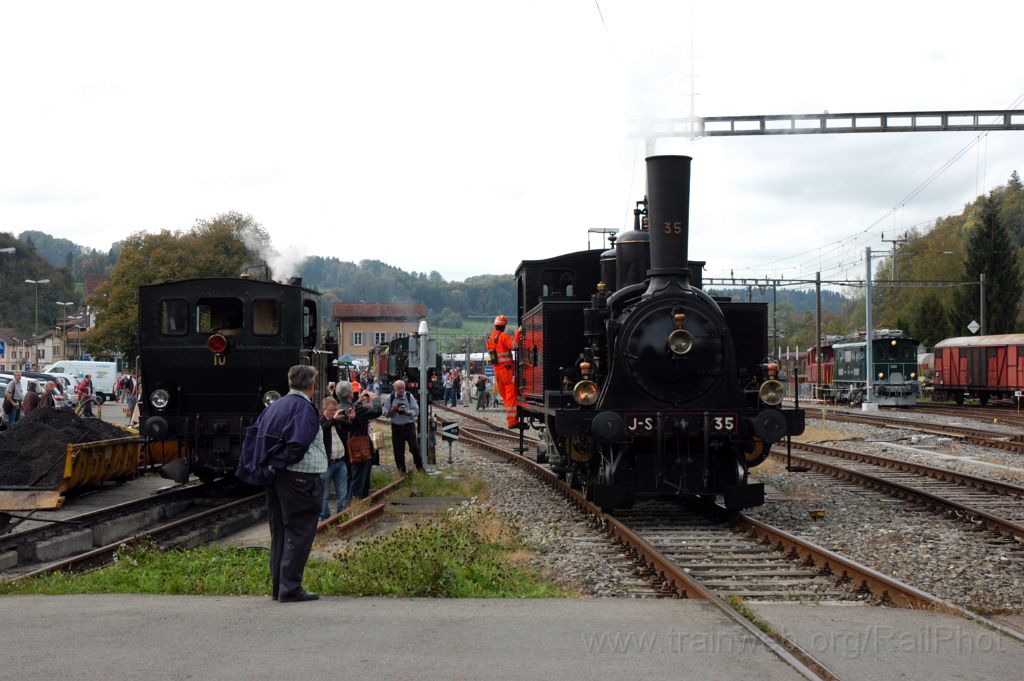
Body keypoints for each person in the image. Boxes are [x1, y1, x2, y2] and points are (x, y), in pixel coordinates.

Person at [254, 365, 326, 603]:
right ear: (311, 385)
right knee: (299, 532)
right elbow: (298, 444)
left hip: (278, 479)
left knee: (280, 533)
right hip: (301, 479)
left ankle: (279, 586)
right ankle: (291, 588)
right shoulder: (304, 408)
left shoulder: (276, 406)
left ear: (289, 382)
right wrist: (280, 461)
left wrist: (273, 465)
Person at [334, 381, 381, 499]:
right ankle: (355, 505)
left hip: (343, 449)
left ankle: (348, 503)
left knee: (349, 478)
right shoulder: (356, 408)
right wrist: (375, 398)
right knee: (359, 480)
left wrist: (359, 401)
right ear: (350, 394)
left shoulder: (337, 408)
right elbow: (377, 411)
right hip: (359, 449)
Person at [382, 379, 424, 473]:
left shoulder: (409, 396)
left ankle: (420, 469)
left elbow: (416, 411)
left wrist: (407, 412)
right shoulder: (390, 397)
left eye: (403, 388)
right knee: (398, 452)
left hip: (409, 426)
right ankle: (402, 473)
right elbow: (385, 413)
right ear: (395, 389)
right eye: (399, 388)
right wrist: (393, 409)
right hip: (396, 428)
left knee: (415, 449)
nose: (401, 390)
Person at [486, 315, 520, 428]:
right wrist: (518, 333)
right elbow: (514, 346)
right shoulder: (503, 336)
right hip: (507, 370)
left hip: (497, 372)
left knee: (504, 395)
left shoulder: (490, 339)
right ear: (504, 326)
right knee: (510, 395)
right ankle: (512, 421)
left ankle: (512, 417)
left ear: (495, 325)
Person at [319, 396, 349, 521]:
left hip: (340, 462)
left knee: (342, 492)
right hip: (326, 464)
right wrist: (334, 420)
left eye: (335, 410)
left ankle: (342, 515)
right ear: (324, 409)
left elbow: (350, 427)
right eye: (331, 410)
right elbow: (322, 429)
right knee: (324, 494)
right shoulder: (320, 421)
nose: (333, 412)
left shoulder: (337, 420)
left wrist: (352, 417)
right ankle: (324, 517)